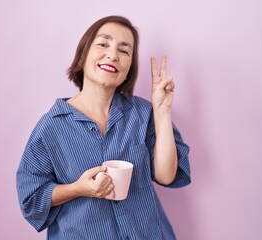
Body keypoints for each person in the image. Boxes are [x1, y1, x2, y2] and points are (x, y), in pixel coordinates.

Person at [16, 15, 191, 240]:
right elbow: (31, 199)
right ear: (83, 55)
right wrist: (78, 189)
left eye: (124, 51)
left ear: (129, 68)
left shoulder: (144, 114)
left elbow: (166, 176)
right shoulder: (52, 126)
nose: (113, 55)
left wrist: (163, 111)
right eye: (103, 44)